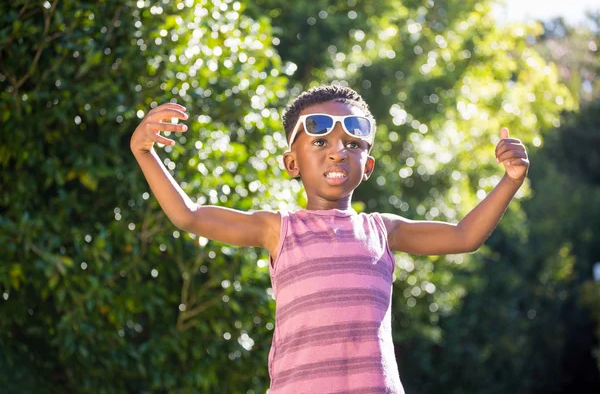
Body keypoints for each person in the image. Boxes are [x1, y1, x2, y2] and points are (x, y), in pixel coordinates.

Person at [130, 85, 530, 393]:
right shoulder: (278, 229)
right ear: (292, 163)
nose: (337, 153)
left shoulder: (382, 230)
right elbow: (190, 215)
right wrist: (144, 151)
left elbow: (465, 235)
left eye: (352, 145)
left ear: (367, 165)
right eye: (320, 143)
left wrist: (509, 182)